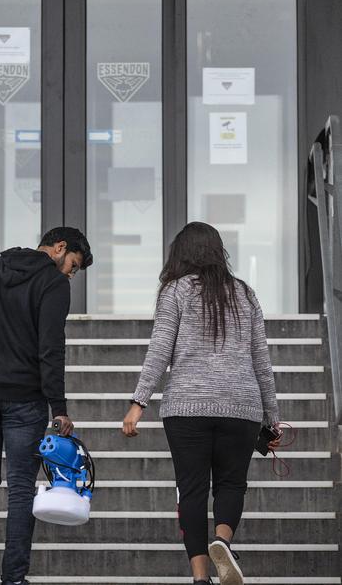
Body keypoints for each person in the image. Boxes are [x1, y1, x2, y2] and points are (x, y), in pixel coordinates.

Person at [122, 222, 282, 585]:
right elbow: (261, 360)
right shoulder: (244, 293)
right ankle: (222, 540)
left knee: (191, 489)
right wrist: (273, 419)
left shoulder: (175, 290)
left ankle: (199, 578)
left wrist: (138, 402)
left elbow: (160, 349)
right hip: (240, 406)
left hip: (187, 407)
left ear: (181, 253)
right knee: (231, 484)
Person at [0, 226, 93, 585]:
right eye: (72, 265)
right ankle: (14, 576)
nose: (70, 274)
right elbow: (51, 349)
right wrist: (59, 407)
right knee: (22, 484)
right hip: (24, 396)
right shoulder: (53, 285)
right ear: (60, 247)